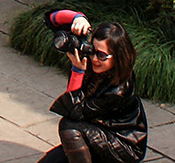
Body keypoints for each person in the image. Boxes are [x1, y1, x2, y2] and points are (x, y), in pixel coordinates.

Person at [35, 14, 148, 163]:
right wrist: (77, 18)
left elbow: (73, 112)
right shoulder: (95, 66)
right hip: (95, 135)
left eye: (102, 55)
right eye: (93, 50)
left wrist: (77, 71)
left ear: (118, 56)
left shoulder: (119, 91)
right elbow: (50, 19)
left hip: (123, 145)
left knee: (68, 127)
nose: (94, 59)